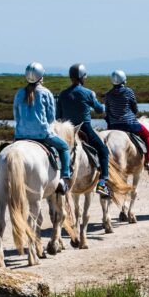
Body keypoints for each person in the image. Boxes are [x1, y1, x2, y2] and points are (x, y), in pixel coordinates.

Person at [14, 62, 71, 194]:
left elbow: (16, 116)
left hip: (20, 136)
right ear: (41, 76)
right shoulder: (46, 93)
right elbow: (51, 118)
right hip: (42, 135)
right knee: (64, 147)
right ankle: (64, 179)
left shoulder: (19, 93)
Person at [57, 64, 111, 197]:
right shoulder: (88, 93)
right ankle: (103, 185)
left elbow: (58, 117)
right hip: (85, 128)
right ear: (82, 77)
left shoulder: (62, 95)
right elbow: (100, 110)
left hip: (67, 131)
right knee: (103, 150)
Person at [104, 70, 149, 169]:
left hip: (114, 125)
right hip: (129, 124)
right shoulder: (129, 91)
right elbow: (135, 108)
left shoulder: (108, 94)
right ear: (123, 80)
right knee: (148, 136)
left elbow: (107, 111)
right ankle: (148, 160)